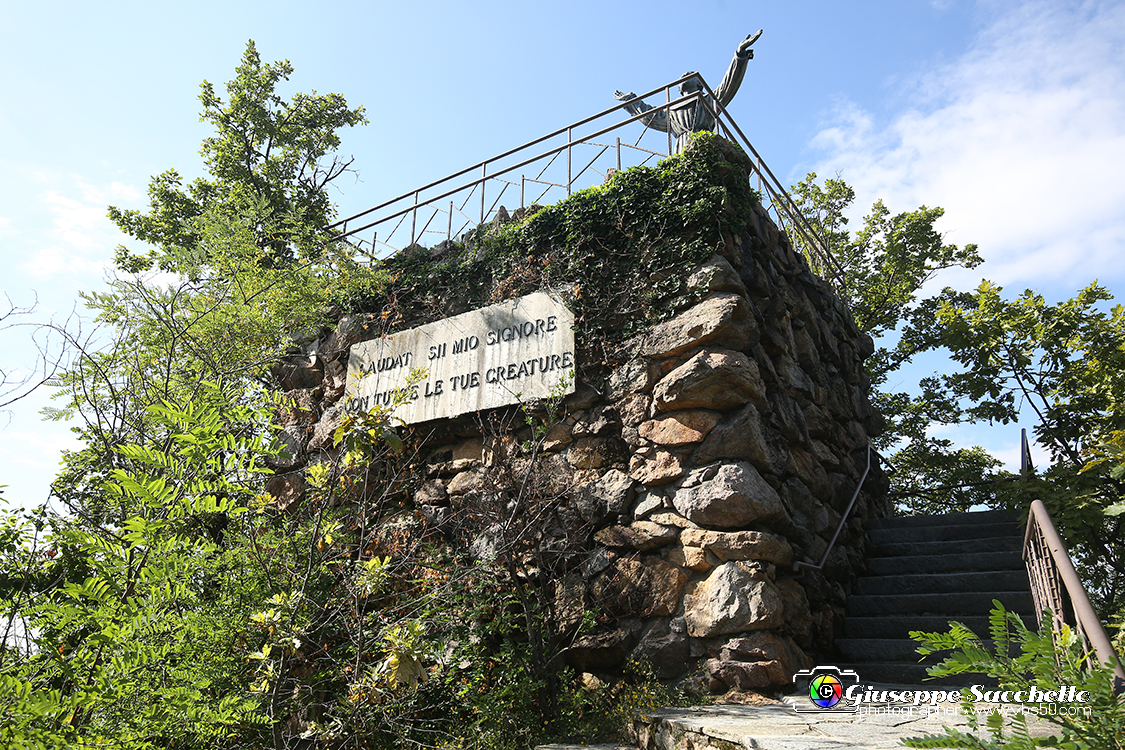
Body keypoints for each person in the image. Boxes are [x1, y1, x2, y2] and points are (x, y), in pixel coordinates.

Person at [614, 30, 762, 153]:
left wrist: (739, 56)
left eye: (690, 75)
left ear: (700, 84)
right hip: (681, 149)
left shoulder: (708, 101)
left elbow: (729, 84)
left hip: (704, 148)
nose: (685, 75)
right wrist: (631, 100)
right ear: (679, 88)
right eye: (683, 77)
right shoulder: (671, 110)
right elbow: (649, 116)